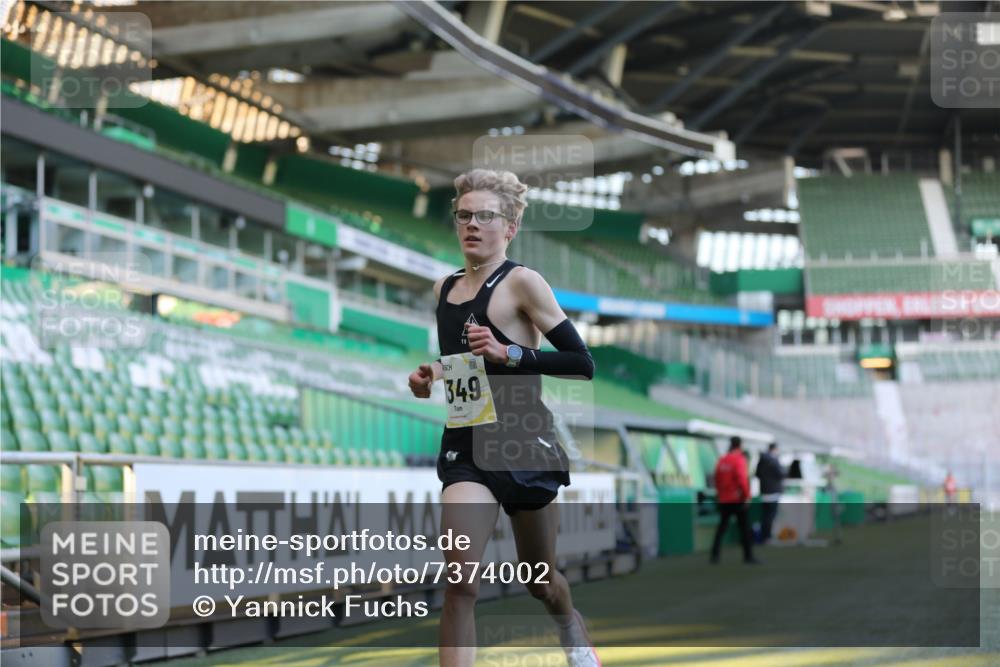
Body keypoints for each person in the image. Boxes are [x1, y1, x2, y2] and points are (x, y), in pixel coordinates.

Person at [407, 169, 600, 667]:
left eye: (485, 216)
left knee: (540, 581)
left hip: (522, 445)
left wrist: (509, 352)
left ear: (510, 227)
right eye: (464, 215)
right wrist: (433, 374)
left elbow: (582, 363)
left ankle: (569, 627)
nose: (472, 224)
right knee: (460, 584)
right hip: (467, 446)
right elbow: (466, 368)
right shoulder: (443, 288)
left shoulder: (523, 283)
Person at [709, 436, 758, 564]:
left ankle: (714, 555)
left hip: (724, 499)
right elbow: (742, 479)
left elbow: (717, 479)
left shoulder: (722, 460)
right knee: (744, 528)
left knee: (721, 527)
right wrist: (747, 496)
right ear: (740, 445)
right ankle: (748, 556)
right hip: (737, 499)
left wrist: (720, 494)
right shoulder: (739, 460)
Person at [755, 442, 785, 543]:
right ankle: (767, 536)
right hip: (773, 492)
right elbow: (781, 474)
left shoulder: (762, 460)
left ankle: (764, 536)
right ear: (775, 449)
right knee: (771, 515)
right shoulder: (773, 460)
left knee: (765, 515)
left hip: (764, 491)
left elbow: (757, 474)